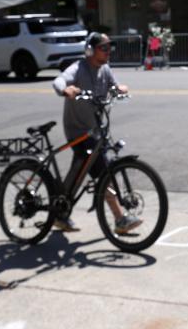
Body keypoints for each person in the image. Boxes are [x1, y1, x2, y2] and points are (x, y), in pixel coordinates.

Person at [50, 31, 140, 233]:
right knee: (102, 171)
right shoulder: (79, 68)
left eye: (110, 47)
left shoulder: (104, 69)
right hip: (78, 131)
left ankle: (60, 212)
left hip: (96, 130)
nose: (109, 52)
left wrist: (120, 88)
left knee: (79, 173)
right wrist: (66, 90)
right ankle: (119, 219)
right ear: (90, 50)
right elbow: (58, 81)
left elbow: (113, 86)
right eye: (104, 48)